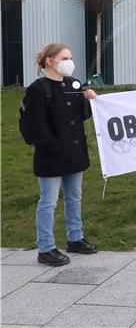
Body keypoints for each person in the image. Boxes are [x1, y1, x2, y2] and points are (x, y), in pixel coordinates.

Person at [19, 43, 98, 266]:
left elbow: (80, 116)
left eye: (70, 57)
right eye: (65, 57)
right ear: (50, 61)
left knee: (75, 197)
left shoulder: (73, 84)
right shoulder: (38, 89)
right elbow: (34, 125)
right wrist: (51, 144)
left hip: (74, 153)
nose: (69, 62)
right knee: (49, 202)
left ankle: (75, 237)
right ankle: (46, 248)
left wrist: (88, 100)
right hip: (51, 155)